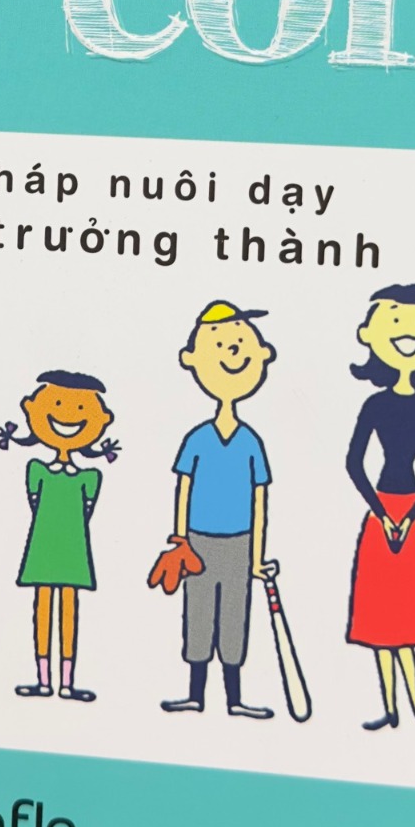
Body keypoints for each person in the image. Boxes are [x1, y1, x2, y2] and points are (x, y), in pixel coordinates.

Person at [343, 284, 415, 735]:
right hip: (383, 513)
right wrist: (381, 511)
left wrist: (409, 516)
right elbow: (354, 463)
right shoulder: (374, 404)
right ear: (369, 334)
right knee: (379, 625)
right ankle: (390, 709)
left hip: (409, 513)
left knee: (406, 624)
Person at [156, 301, 277, 720]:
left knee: (234, 618)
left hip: (240, 543)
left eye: (241, 343)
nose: (233, 353)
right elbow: (183, 490)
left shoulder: (250, 442)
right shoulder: (198, 439)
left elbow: (260, 500)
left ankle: (234, 698)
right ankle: (195, 693)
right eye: (220, 345)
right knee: (198, 613)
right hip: (199, 541)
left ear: (262, 355)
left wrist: (257, 557)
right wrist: (179, 541)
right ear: (193, 358)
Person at [0, 371, 118, 702]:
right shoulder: (36, 469)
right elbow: (35, 503)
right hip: (43, 548)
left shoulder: (89, 476)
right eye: (58, 404)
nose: (68, 415)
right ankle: (43, 680)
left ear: (102, 419)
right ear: (31, 408)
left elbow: (85, 511)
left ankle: (66, 682)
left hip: (73, 550)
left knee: (69, 610)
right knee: (42, 609)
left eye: (81, 408)